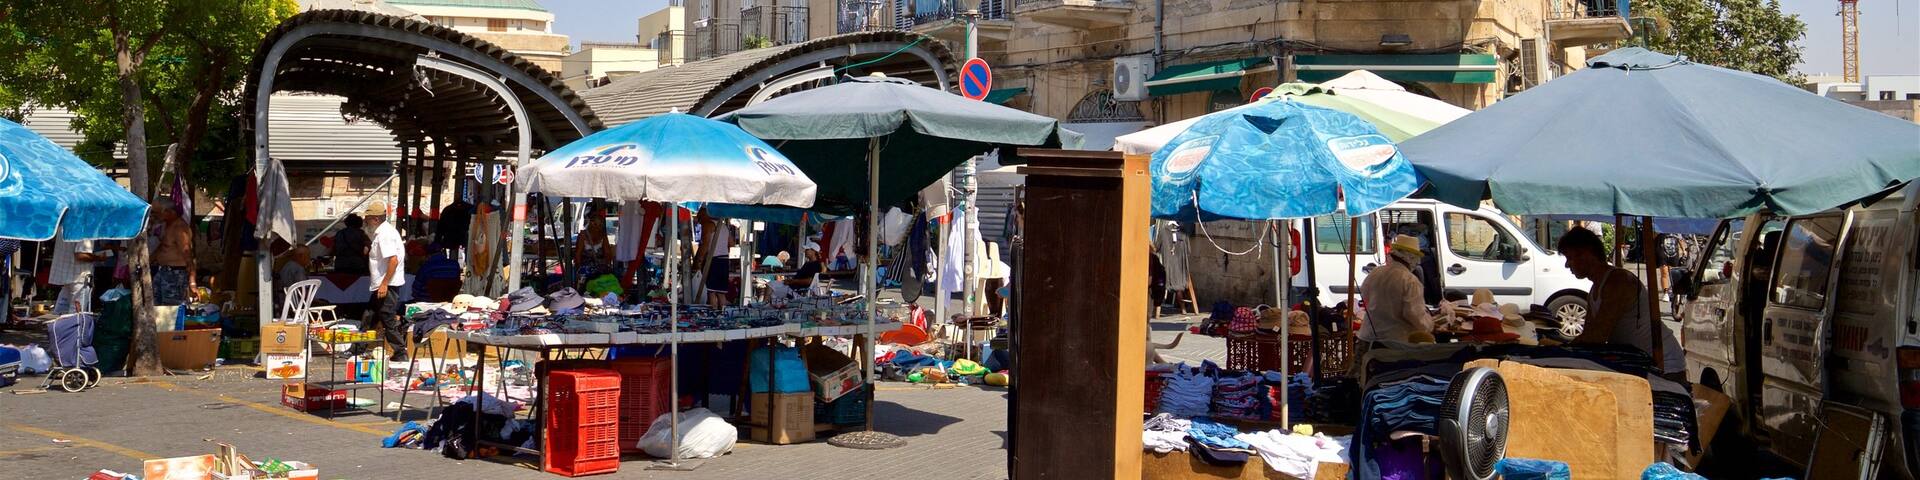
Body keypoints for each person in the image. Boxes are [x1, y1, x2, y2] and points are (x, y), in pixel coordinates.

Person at [1558, 227, 1685, 379]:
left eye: (1569, 258)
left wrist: (1559, 350)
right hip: (1639, 363)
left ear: (1586, 254)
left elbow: (1596, 336)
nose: (1567, 265)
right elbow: (1589, 335)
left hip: (1663, 365)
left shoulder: (1618, 281)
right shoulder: (1596, 288)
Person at [1356, 235, 1434, 365]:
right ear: (1411, 258)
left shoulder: (1375, 272)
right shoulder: (1410, 280)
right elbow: (1414, 314)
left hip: (1367, 338)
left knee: (1362, 380)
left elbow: (1365, 296)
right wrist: (1430, 325)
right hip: (1394, 344)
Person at [363, 203, 409, 362]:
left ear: (375, 219)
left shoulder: (385, 235)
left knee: (388, 319)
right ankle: (358, 348)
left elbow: (393, 260)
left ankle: (400, 352)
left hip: (386, 285)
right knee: (369, 317)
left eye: (367, 218)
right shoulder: (382, 233)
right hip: (381, 284)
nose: (365, 221)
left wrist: (384, 284)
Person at [152, 203, 195, 306]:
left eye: (157, 213)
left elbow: (188, 254)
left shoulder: (179, 228)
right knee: (157, 308)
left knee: (172, 308)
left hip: (175, 274)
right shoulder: (166, 226)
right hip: (163, 271)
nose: (155, 216)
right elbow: (162, 247)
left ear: (168, 212)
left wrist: (192, 282)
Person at [49, 234, 103, 315]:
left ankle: (60, 327)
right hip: (79, 278)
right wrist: (99, 258)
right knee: (76, 315)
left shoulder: (64, 226)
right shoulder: (86, 230)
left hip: (66, 275)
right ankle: (72, 327)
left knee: (61, 313)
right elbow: (80, 255)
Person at [705, 218, 735, 307]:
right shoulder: (724, 226)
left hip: (714, 259)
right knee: (721, 292)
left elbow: (705, 244)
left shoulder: (710, 225)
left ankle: (714, 312)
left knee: (711, 291)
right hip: (724, 259)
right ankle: (723, 314)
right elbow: (732, 243)